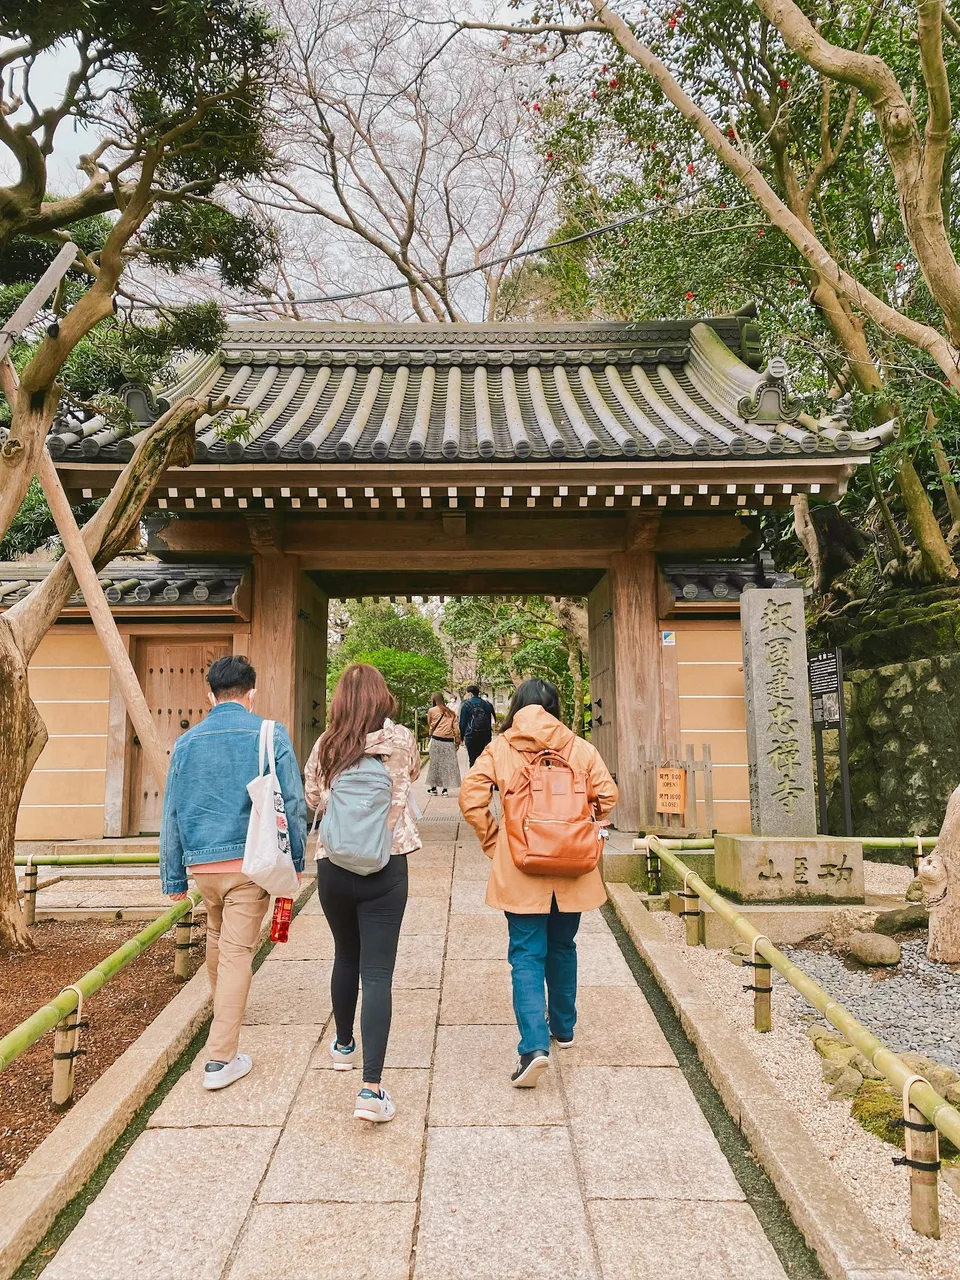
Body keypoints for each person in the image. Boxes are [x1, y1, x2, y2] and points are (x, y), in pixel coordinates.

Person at [458, 678, 617, 1087]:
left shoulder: (501, 748)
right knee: (563, 945)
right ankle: (563, 1028)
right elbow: (608, 796)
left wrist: (496, 843)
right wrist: (589, 829)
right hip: (573, 866)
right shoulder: (579, 748)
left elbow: (471, 799)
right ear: (555, 708)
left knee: (526, 953)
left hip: (521, 865)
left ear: (517, 706)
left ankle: (533, 1047)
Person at [160, 655, 307, 1091]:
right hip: (249, 863)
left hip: (203, 865)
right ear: (251, 693)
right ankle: (220, 1058)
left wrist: (173, 877)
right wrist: (294, 864)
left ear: (210, 695)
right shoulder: (268, 733)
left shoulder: (186, 743)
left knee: (217, 938)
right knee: (239, 950)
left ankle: (223, 1009)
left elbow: (171, 812)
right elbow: (294, 804)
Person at [305, 664, 421, 1122]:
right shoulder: (402, 741)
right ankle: (371, 1090)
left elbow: (313, 797)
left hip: (333, 863)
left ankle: (342, 1045)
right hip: (387, 863)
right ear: (382, 698)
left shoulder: (327, 743)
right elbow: (410, 774)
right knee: (377, 972)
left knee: (344, 956)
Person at [425, 692, 461, 796]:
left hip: (436, 739)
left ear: (434, 700)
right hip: (448, 741)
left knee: (435, 764)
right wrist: (457, 740)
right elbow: (455, 728)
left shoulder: (431, 710)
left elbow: (430, 724)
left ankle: (433, 788)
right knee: (447, 765)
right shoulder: (451, 713)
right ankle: (445, 790)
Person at [459, 683, 496, 767]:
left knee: (472, 759)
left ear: (470, 694)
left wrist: (462, 737)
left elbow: (462, 723)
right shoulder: (487, 704)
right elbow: (492, 718)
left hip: (471, 735)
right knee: (483, 758)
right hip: (485, 735)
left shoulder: (466, 705)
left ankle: (473, 776)